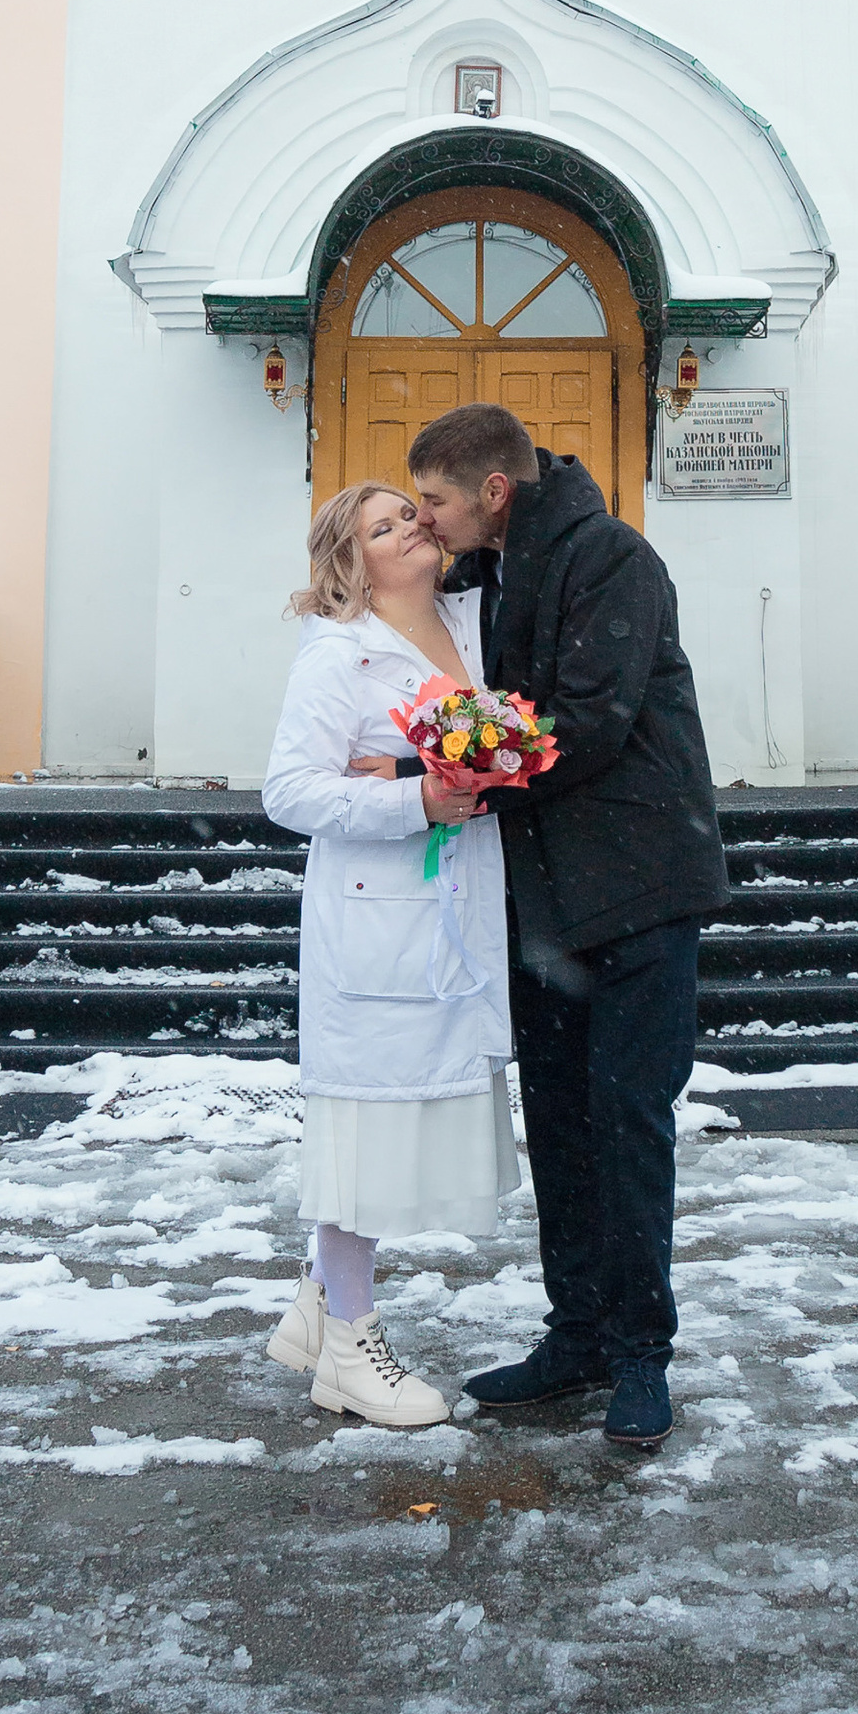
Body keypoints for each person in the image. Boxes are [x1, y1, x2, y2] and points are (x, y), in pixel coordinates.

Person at [409, 400, 728, 1453]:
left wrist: (448, 770)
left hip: (638, 886)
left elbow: (588, 721)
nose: (425, 518)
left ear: (495, 491)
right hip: (543, 896)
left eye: (435, 499)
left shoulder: (612, 559)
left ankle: (640, 1355)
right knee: (557, 1122)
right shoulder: (481, 575)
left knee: (627, 1121)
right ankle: (578, 1335)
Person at [259, 478, 520, 1426]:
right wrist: (413, 800)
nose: (409, 525)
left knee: (402, 1130)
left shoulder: (471, 621)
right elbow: (290, 791)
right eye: (382, 525)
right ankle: (350, 1352)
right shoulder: (339, 655)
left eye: (409, 512)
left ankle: (320, 1301)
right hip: (376, 927)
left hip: (455, 914)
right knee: (362, 1140)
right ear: (352, 561)